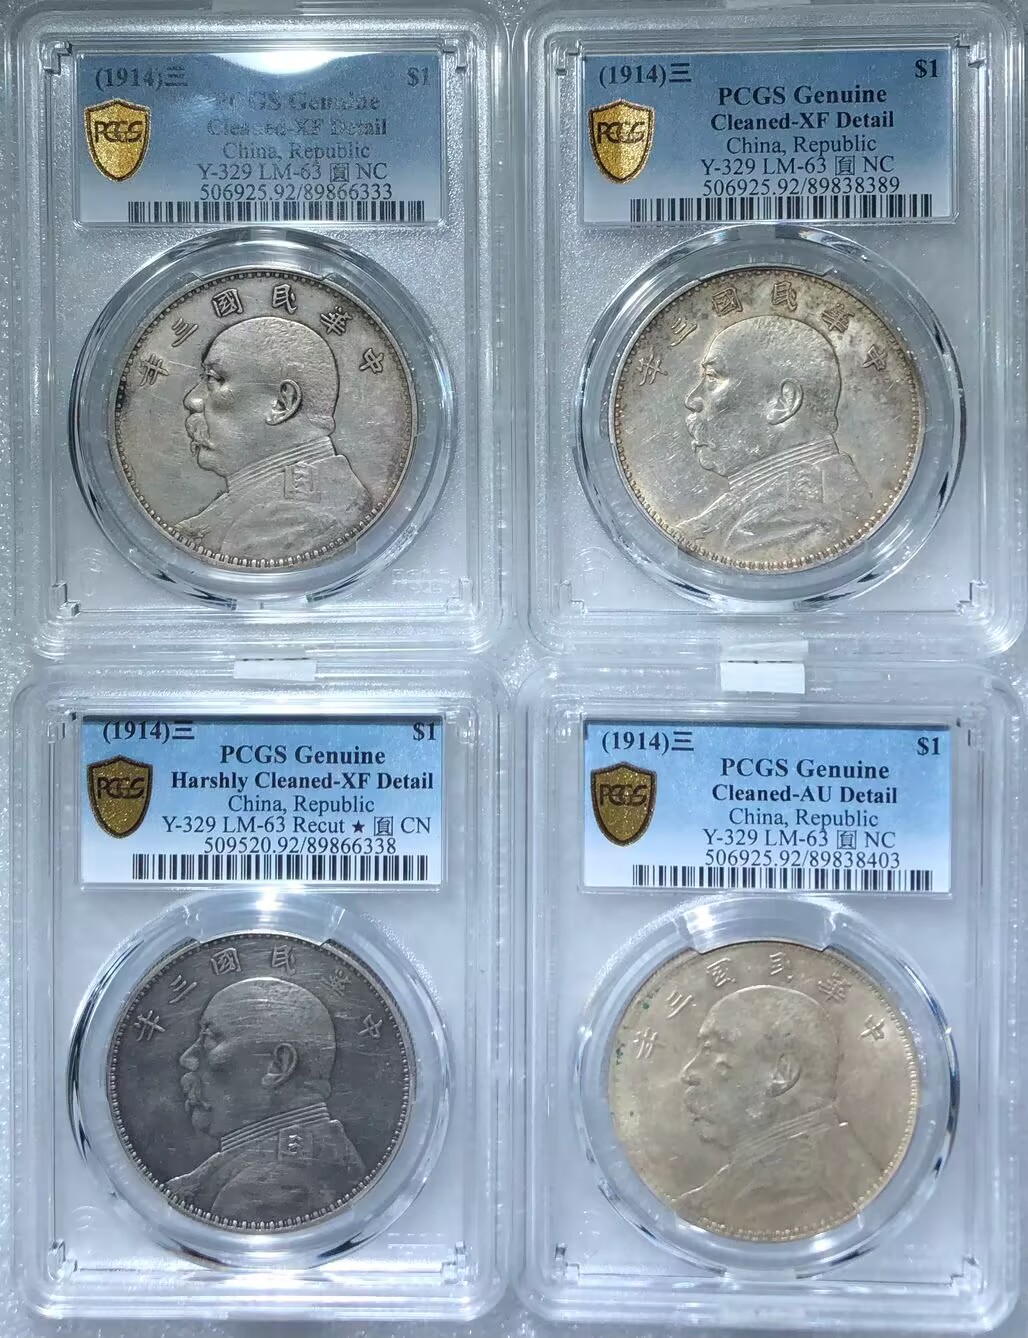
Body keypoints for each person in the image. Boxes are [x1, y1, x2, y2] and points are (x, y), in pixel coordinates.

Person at [676, 985, 881, 1234]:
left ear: (781, 1074)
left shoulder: (801, 1196)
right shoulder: (747, 1183)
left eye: (711, 1051)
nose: (688, 1073)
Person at [166, 977, 365, 1221]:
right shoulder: (323, 1156)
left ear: (278, 1065)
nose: (187, 1058)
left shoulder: (264, 1190)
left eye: (210, 1038)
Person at [680, 315, 873, 561]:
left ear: (782, 403)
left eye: (712, 377)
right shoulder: (757, 500)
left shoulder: (800, 523)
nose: (692, 400)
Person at [176, 316, 370, 560]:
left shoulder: (287, 522)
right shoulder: (264, 498)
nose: (192, 400)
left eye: (215, 379)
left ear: (282, 404)